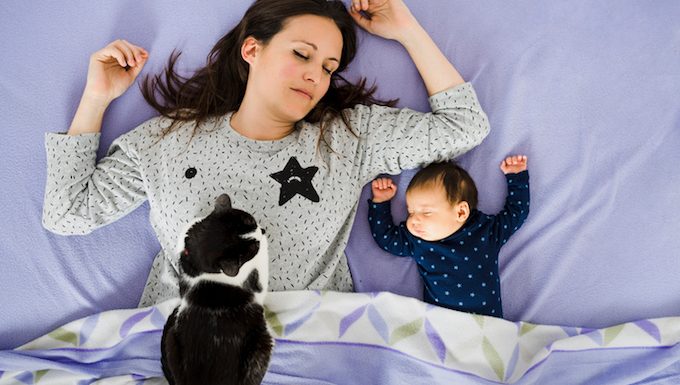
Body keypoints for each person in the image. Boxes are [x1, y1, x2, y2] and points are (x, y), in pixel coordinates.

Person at [42, 0, 490, 307]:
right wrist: (97, 98)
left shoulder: (350, 136)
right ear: (252, 49)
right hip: (189, 347)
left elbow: (464, 125)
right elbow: (68, 213)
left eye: (328, 68)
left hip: (304, 344)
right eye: (302, 54)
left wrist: (408, 31)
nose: (316, 75)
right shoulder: (169, 140)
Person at [368, 156, 529, 317]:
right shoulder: (418, 241)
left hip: (487, 325)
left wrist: (516, 177)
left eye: (426, 212)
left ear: (460, 212)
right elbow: (386, 238)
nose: (414, 220)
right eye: (411, 212)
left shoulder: (485, 232)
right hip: (442, 325)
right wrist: (381, 203)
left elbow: (516, 213)